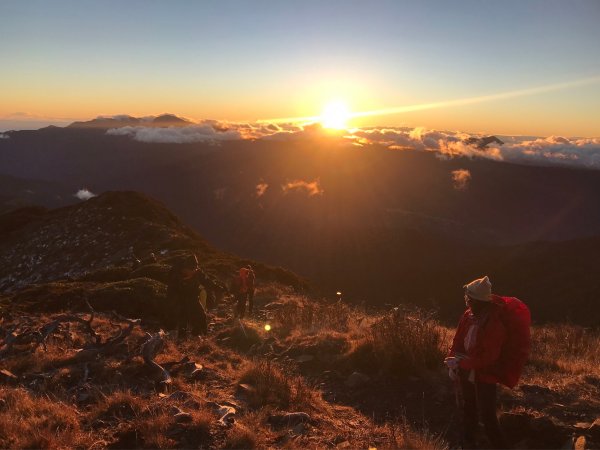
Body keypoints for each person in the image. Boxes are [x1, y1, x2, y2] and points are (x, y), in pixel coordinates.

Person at [444, 276, 509, 449]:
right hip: (466, 368)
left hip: (486, 373)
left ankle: (499, 445)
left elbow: (489, 357)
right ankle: (468, 441)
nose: (466, 302)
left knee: (487, 414)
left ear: (477, 300)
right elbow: (458, 340)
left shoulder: (494, 322)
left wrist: (462, 364)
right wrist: (453, 358)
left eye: (469, 299)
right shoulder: (468, 315)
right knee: (468, 406)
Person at [166, 254, 208, 338]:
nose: (194, 271)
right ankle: (181, 339)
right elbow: (171, 290)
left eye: (195, 269)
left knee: (202, 315)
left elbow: (207, 281)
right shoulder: (176, 275)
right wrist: (173, 302)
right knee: (183, 318)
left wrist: (219, 287)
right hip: (181, 299)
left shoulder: (197, 272)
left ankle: (203, 335)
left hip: (193, 298)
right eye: (191, 269)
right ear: (185, 268)